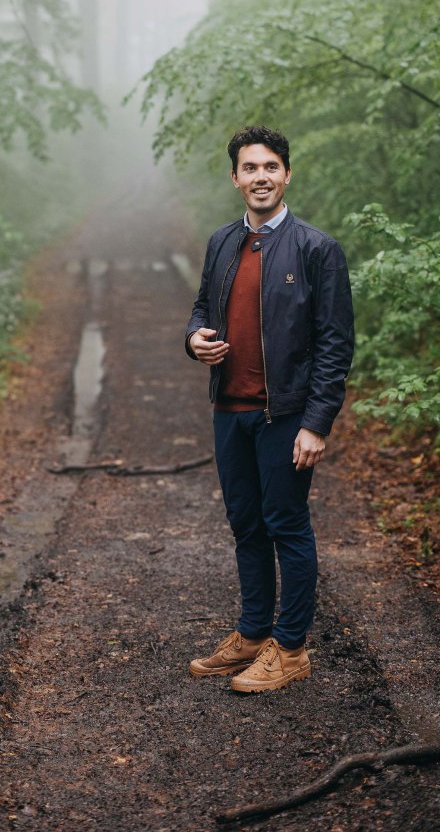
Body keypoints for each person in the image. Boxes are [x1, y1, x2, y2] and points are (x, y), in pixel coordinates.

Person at [185, 125, 354, 693]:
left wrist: (317, 423)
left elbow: (335, 344)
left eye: (270, 167)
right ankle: (254, 635)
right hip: (229, 409)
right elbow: (202, 306)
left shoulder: (316, 248)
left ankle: (292, 648)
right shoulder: (221, 243)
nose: (260, 177)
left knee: (286, 525)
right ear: (235, 178)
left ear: (287, 175)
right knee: (246, 525)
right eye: (249, 168)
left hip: (285, 416)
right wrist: (195, 339)